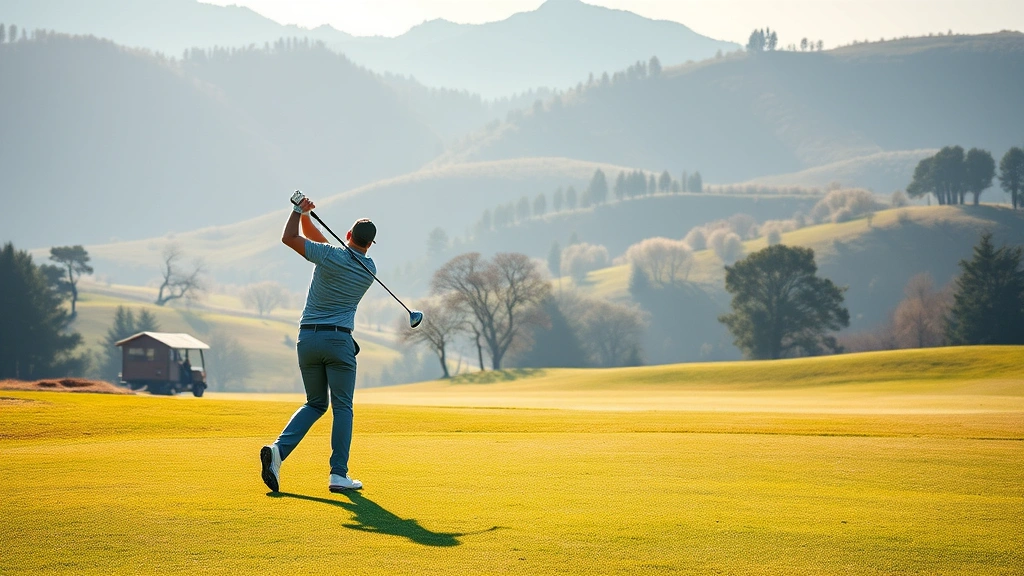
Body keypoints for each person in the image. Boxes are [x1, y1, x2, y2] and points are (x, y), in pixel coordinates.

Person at [261, 193, 377, 493]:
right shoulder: (369, 270)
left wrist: (297, 211)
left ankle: (278, 452)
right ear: (369, 245)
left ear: (348, 235)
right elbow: (323, 243)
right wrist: (306, 215)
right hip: (339, 342)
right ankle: (338, 475)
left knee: (315, 403)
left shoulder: (329, 256)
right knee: (342, 408)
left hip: (307, 339)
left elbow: (290, 238)